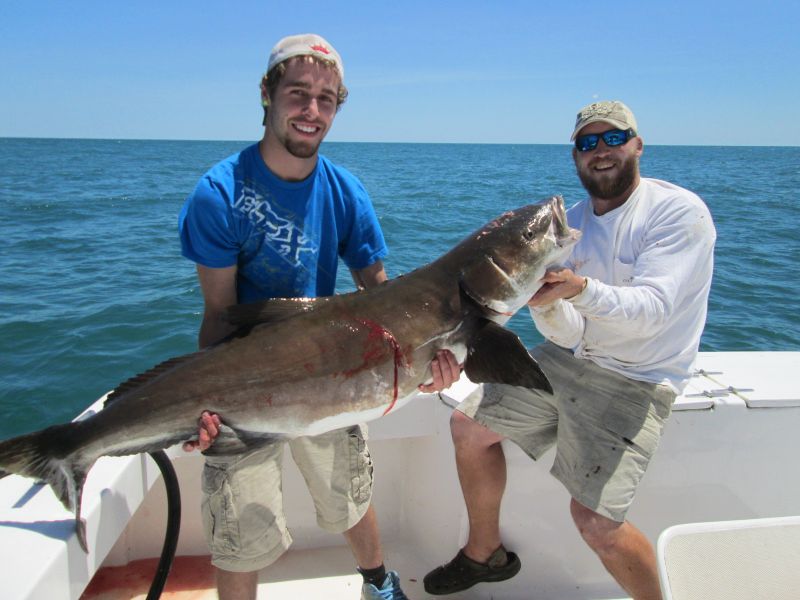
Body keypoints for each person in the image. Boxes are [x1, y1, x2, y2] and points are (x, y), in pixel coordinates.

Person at [178, 33, 458, 600]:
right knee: (241, 529)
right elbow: (219, 317)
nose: (311, 111)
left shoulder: (346, 192)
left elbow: (383, 299)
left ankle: (378, 584)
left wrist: (432, 360)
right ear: (267, 94)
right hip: (248, 384)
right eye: (298, 94)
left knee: (349, 493)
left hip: (335, 374)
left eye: (326, 99)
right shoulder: (218, 194)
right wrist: (205, 406)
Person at [422, 100, 716, 599]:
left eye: (613, 138)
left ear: (637, 144)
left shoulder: (678, 213)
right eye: (586, 143)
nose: (600, 151)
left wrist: (577, 289)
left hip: (640, 377)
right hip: (574, 359)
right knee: (467, 428)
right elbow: (570, 335)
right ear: (575, 155)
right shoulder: (571, 222)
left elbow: (655, 310)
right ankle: (484, 553)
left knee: (596, 524)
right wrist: (546, 303)